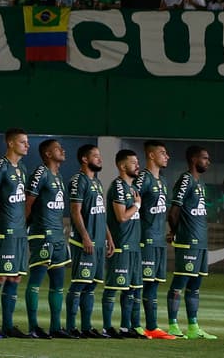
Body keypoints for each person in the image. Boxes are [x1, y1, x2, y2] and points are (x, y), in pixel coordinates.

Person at [166, 145, 216, 339]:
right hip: (188, 240)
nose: (208, 162)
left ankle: (194, 327)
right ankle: (172, 325)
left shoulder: (200, 183)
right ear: (194, 160)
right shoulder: (186, 179)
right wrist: (175, 232)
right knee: (180, 283)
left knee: (195, 285)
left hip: (201, 241)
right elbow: (174, 211)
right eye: (204, 158)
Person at [23, 138, 71, 338]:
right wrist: (24, 228)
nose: (63, 150)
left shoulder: (58, 177)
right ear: (48, 154)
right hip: (42, 234)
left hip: (59, 237)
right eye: (58, 149)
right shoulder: (40, 173)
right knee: (36, 281)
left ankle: (55, 327)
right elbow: (28, 202)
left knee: (58, 284)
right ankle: (33, 327)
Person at [0, 128, 30, 338]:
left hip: (20, 232)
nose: (26, 145)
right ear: (11, 144)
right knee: (0, 276)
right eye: (23, 142)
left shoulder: (22, 168)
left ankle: (8, 324)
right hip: (5, 230)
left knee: (15, 278)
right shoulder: (0, 167)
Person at [134, 140, 175, 339]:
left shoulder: (163, 181)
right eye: (163, 153)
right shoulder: (144, 177)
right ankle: (134, 325)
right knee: (141, 282)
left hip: (159, 240)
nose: (167, 156)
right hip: (146, 238)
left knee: (154, 283)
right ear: (151, 155)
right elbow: (131, 197)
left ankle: (152, 327)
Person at [65, 144, 107, 337]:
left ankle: (86, 327)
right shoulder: (78, 180)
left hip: (99, 242)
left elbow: (100, 213)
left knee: (91, 285)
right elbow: (75, 211)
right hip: (85, 242)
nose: (100, 159)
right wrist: (85, 237)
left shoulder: (97, 183)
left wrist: (109, 238)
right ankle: (71, 326)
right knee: (80, 282)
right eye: (96, 156)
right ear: (84, 159)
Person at [101, 149, 142, 337]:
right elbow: (121, 217)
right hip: (121, 245)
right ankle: (107, 327)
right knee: (113, 287)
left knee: (132, 289)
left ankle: (126, 328)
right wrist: (137, 206)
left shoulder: (133, 188)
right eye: (133, 162)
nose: (137, 165)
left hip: (134, 246)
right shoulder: (118, 186)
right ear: (122, 166)